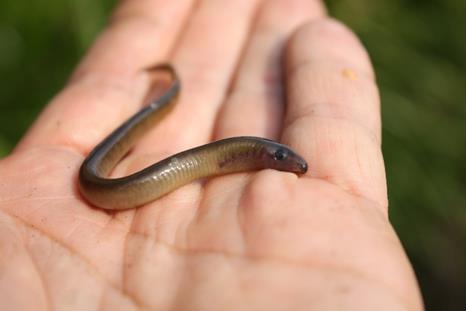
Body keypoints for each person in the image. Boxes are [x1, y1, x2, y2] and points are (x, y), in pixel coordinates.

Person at [0, 1, 423, 310]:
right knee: (102, 165)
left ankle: (167, 91)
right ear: (262, 155)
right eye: (282, 158)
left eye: (284, 159)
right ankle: (165, 94)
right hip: (101, 186)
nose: (293, 164)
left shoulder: (252, 156)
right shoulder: (250, 151)